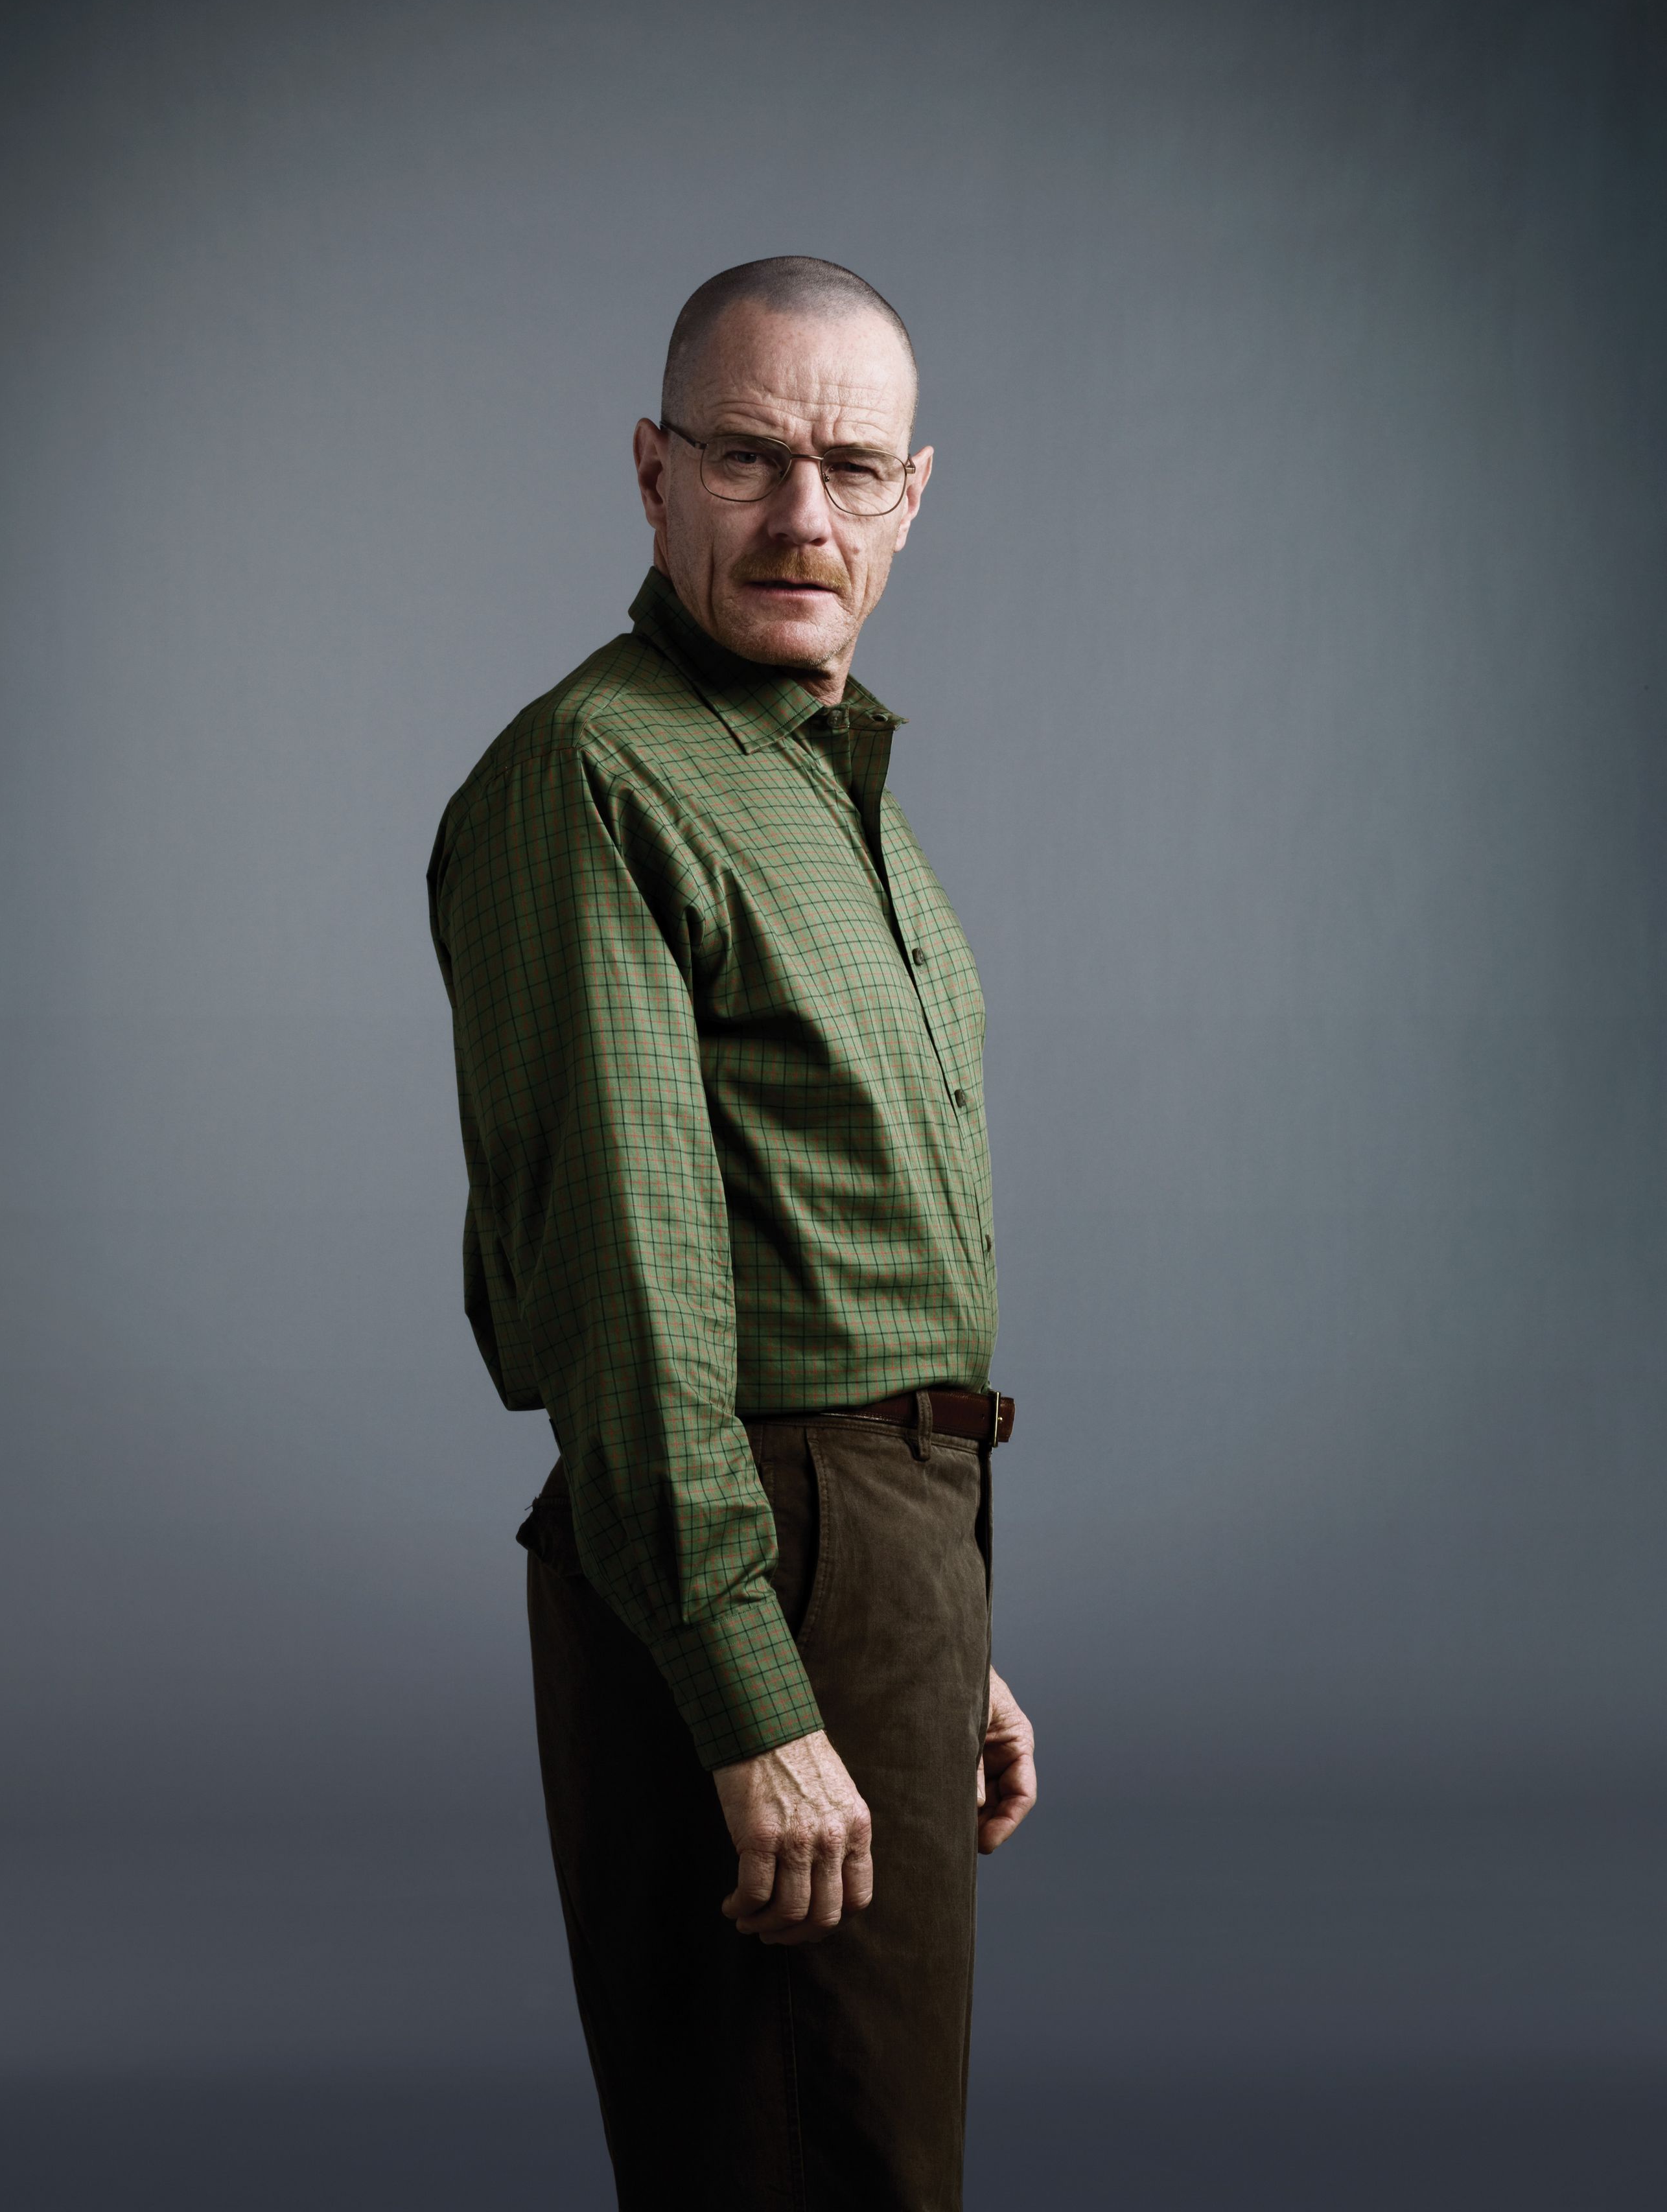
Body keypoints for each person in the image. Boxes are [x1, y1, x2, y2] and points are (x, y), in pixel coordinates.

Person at [428, 256, 1036, 2209]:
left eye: (852, 469)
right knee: (787, 2173)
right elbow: (636, 1292)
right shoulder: (597, 776)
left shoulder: (826, 784)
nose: (803, 516)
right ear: (653, 471)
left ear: (913, 496)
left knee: (867, 2163)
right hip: (748, 1551)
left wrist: (945, 1638)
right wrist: (758, 1693)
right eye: (750, 457)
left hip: (873, 1570)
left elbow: (840, 1261)